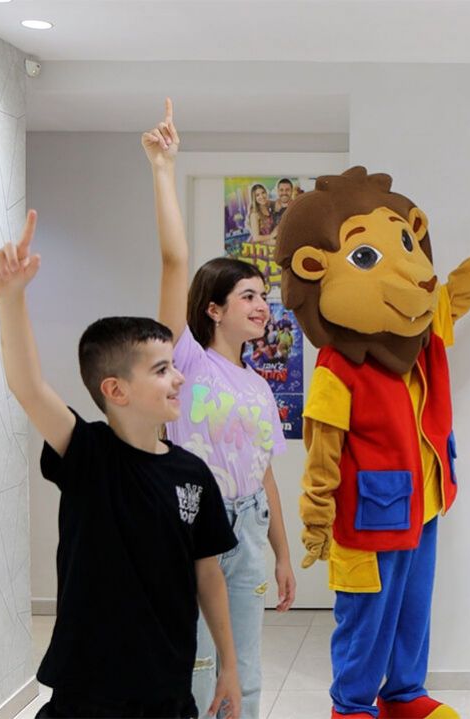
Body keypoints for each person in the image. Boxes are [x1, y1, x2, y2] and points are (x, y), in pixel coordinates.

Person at [276, 166, 470, 719]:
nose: (415, 271)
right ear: (316, 270)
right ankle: (351, 706)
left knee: (412, 609)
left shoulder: (422, 334)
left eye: (406, 243)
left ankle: (403, 694)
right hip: (367, 516)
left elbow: (466, 281)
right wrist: (315, 518)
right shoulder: (337, 367)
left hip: (424, 505)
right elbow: (322, 450)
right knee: (366, 615)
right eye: (365, 255)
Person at [0, 211, 242, 719]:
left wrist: (228, 664)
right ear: (115, 390)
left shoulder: (193, 475)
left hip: (167, 691)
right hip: (87, 694)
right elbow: (28, 386)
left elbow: (208, 574)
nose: (178, 379)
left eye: (175, 367)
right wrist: (10, 298)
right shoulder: (88, 454)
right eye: (162, 370)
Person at [143, 99, 297, 719]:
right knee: (200, 665)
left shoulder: (258, 387)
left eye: (264, 296)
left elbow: (265, 474)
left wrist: (282, 553)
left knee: (247, 669)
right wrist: (164, 169)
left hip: (250, 526)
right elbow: (174, 261)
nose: (263, 306)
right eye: (249, 296)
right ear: (213, 308)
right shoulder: (182, 358)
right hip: (193, 525)